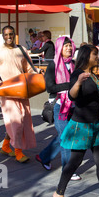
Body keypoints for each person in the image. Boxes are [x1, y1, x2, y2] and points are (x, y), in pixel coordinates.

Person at [53, 45, 99, 197]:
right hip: (81, 125)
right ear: (86, 56)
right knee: (74, 162)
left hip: (96, 125)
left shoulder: (93, 74)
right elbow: (72, 96)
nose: (97, 57)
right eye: (95, 55)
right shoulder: (77, 74)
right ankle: (59, 192)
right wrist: (78, 83)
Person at [0, 25, 37, 163]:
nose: (8, 37)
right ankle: (18, 151)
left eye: (11, 34)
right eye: (6, 35)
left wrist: (35, 75)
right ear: (2, 36)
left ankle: (5, 146)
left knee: (22, 119)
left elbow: (29, 68)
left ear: (14, 34)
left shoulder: (22, 50)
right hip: (6, 90)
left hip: (22, 89)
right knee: (16, 120)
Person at [36, 36, 81, 181]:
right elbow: (50, 87)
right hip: (59, 106)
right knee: (66, 136)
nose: (68, 48)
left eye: (70, 45)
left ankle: (43, 156)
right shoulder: (53, 65)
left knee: (63, 135)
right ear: (59, 48)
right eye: (65, 46)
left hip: (74, 106)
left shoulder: (74, 64)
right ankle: (68, 170)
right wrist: (70, 86)